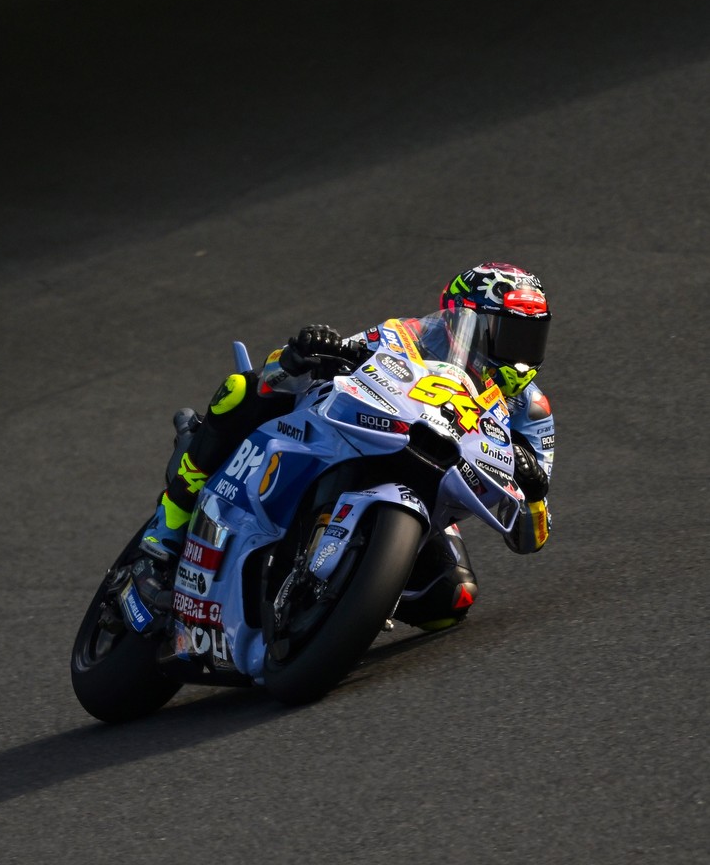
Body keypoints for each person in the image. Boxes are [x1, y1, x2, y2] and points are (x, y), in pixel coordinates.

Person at [139, 261, 555, 631]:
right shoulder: (408, 334)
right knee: (243, 389)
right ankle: (168, 525)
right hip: (368, 436)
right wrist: (309, 351)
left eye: (532, 338)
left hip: (433, 495)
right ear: (464, 319)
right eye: (511, 335)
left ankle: (347, 604)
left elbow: (530, 540)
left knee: (451, 598)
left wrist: (534, 492)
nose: (522, 356)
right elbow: (320, 365)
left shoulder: (531, 411)